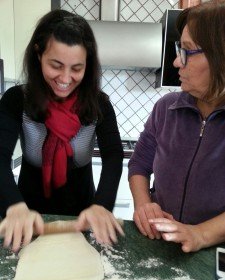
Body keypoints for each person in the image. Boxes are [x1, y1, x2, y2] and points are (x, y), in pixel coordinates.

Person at [0, 9, 124, 252]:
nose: (66, 78)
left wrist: (102, 204)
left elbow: (113, 155)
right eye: (56, 65)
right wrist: (13, 205)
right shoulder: (17, 99)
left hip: (83, 211)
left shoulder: (100, 104)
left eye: (77, 68)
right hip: (26, 211)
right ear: (38, 54)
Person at [128, 1, 225, 253]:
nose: (175, 62)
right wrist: (143, 203)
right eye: (179, 49)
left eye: (187, 50)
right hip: (160, 241)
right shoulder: (166, 108)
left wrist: (200, 234)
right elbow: (139, 164)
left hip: (214, 254)